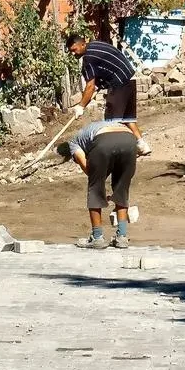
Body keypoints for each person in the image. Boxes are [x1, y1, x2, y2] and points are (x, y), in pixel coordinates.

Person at [66, 34, 152, 156]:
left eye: (74, 50)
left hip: (119, 83)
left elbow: (90, 86)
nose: (73, 54)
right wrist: (101, 83)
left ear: (83, 44)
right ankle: (142, 146)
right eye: (71, 51)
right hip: (130, 78)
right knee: (127, 118)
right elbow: (106, 66)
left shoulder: (88, 59)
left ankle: (118, 152)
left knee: (111, 122)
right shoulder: (96, 45)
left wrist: (81, 106)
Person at [59, 120, 138, 249]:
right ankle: (122, 237)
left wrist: (100, 189)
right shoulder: (92, 129)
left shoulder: (73, 144)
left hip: (104, 141)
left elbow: (90, 171)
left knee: (95, 189)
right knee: (122, 188)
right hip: (129, 139)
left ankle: (97, 238)